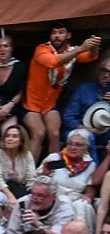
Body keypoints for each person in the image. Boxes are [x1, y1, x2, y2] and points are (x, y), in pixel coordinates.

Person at [23, 22, 101, 160]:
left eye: (61, 32)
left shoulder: (72, 51)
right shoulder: (41, 49)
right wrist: (81, 48)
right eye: (54, 33)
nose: (57, 36)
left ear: (68, 35)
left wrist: (94, 46)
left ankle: (53, 171)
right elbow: (53, 62)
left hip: (50, 105)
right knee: (39, 133)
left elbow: (90, 57)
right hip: (31, 105)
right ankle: (29, 176)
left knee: (54, 133)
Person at [38, 128, 98, 234]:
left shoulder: (90, 165)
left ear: (87, 148)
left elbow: (90, 189)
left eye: (78, 145)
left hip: (75, 200)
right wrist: (45, 174)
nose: (73, 147)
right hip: (54, 198)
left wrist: (88, 196)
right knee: (65, 202)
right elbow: (38, 182)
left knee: (83, 205)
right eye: (70, 144)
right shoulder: (56, 158)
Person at [63, 53, 110, 163]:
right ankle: (93, 173)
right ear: (98, 71)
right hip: (80, 130)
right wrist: (86, 129)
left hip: (105, 133)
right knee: (89, 137)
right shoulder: (83, 89)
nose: (106, 75)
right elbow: (68, 117)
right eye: (104, 71)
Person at [5, 175, 75, 234]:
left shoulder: (64, 208)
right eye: (33, 194)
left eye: (40, 196)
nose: (34, 198)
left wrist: (38, 224)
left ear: (53, 196)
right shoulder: (22, 203)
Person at [0, 124, 36, 204]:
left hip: (21, 190)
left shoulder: (27, 155)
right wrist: (11, 197)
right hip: (1, 192)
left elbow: (31, 179)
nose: (9, 139)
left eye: (14, 136)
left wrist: (33, 197)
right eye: (7, 136)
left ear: (21, 141)